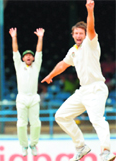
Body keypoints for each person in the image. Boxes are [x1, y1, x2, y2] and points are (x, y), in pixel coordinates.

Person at [41, 1, 116, 161]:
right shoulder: (73, 51)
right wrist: (51, 75)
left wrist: (90, 10)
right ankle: (81, 146)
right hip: (83, 91)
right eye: (76, 33)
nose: (78, 36)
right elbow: (63, 64)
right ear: (73, 35)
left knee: (97, 119)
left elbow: (91, 28)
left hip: (96, 88)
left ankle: (106, 151)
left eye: (81, 33)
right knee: (61, 116)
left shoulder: (91, 43)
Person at [9, 27, 45, 156]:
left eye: (30, 55)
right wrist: (14, 37)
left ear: (33, 58)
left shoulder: (36, 66)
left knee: (35, 123)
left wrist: (40, 37)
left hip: (34, 97)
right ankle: (24, 146)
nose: (28, 57)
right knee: (21, 124)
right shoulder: (19, 66)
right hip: (22, 98)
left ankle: (33, 144)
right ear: (23, 59)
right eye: (26, 56)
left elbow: (39, 51)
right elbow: (15, 51)